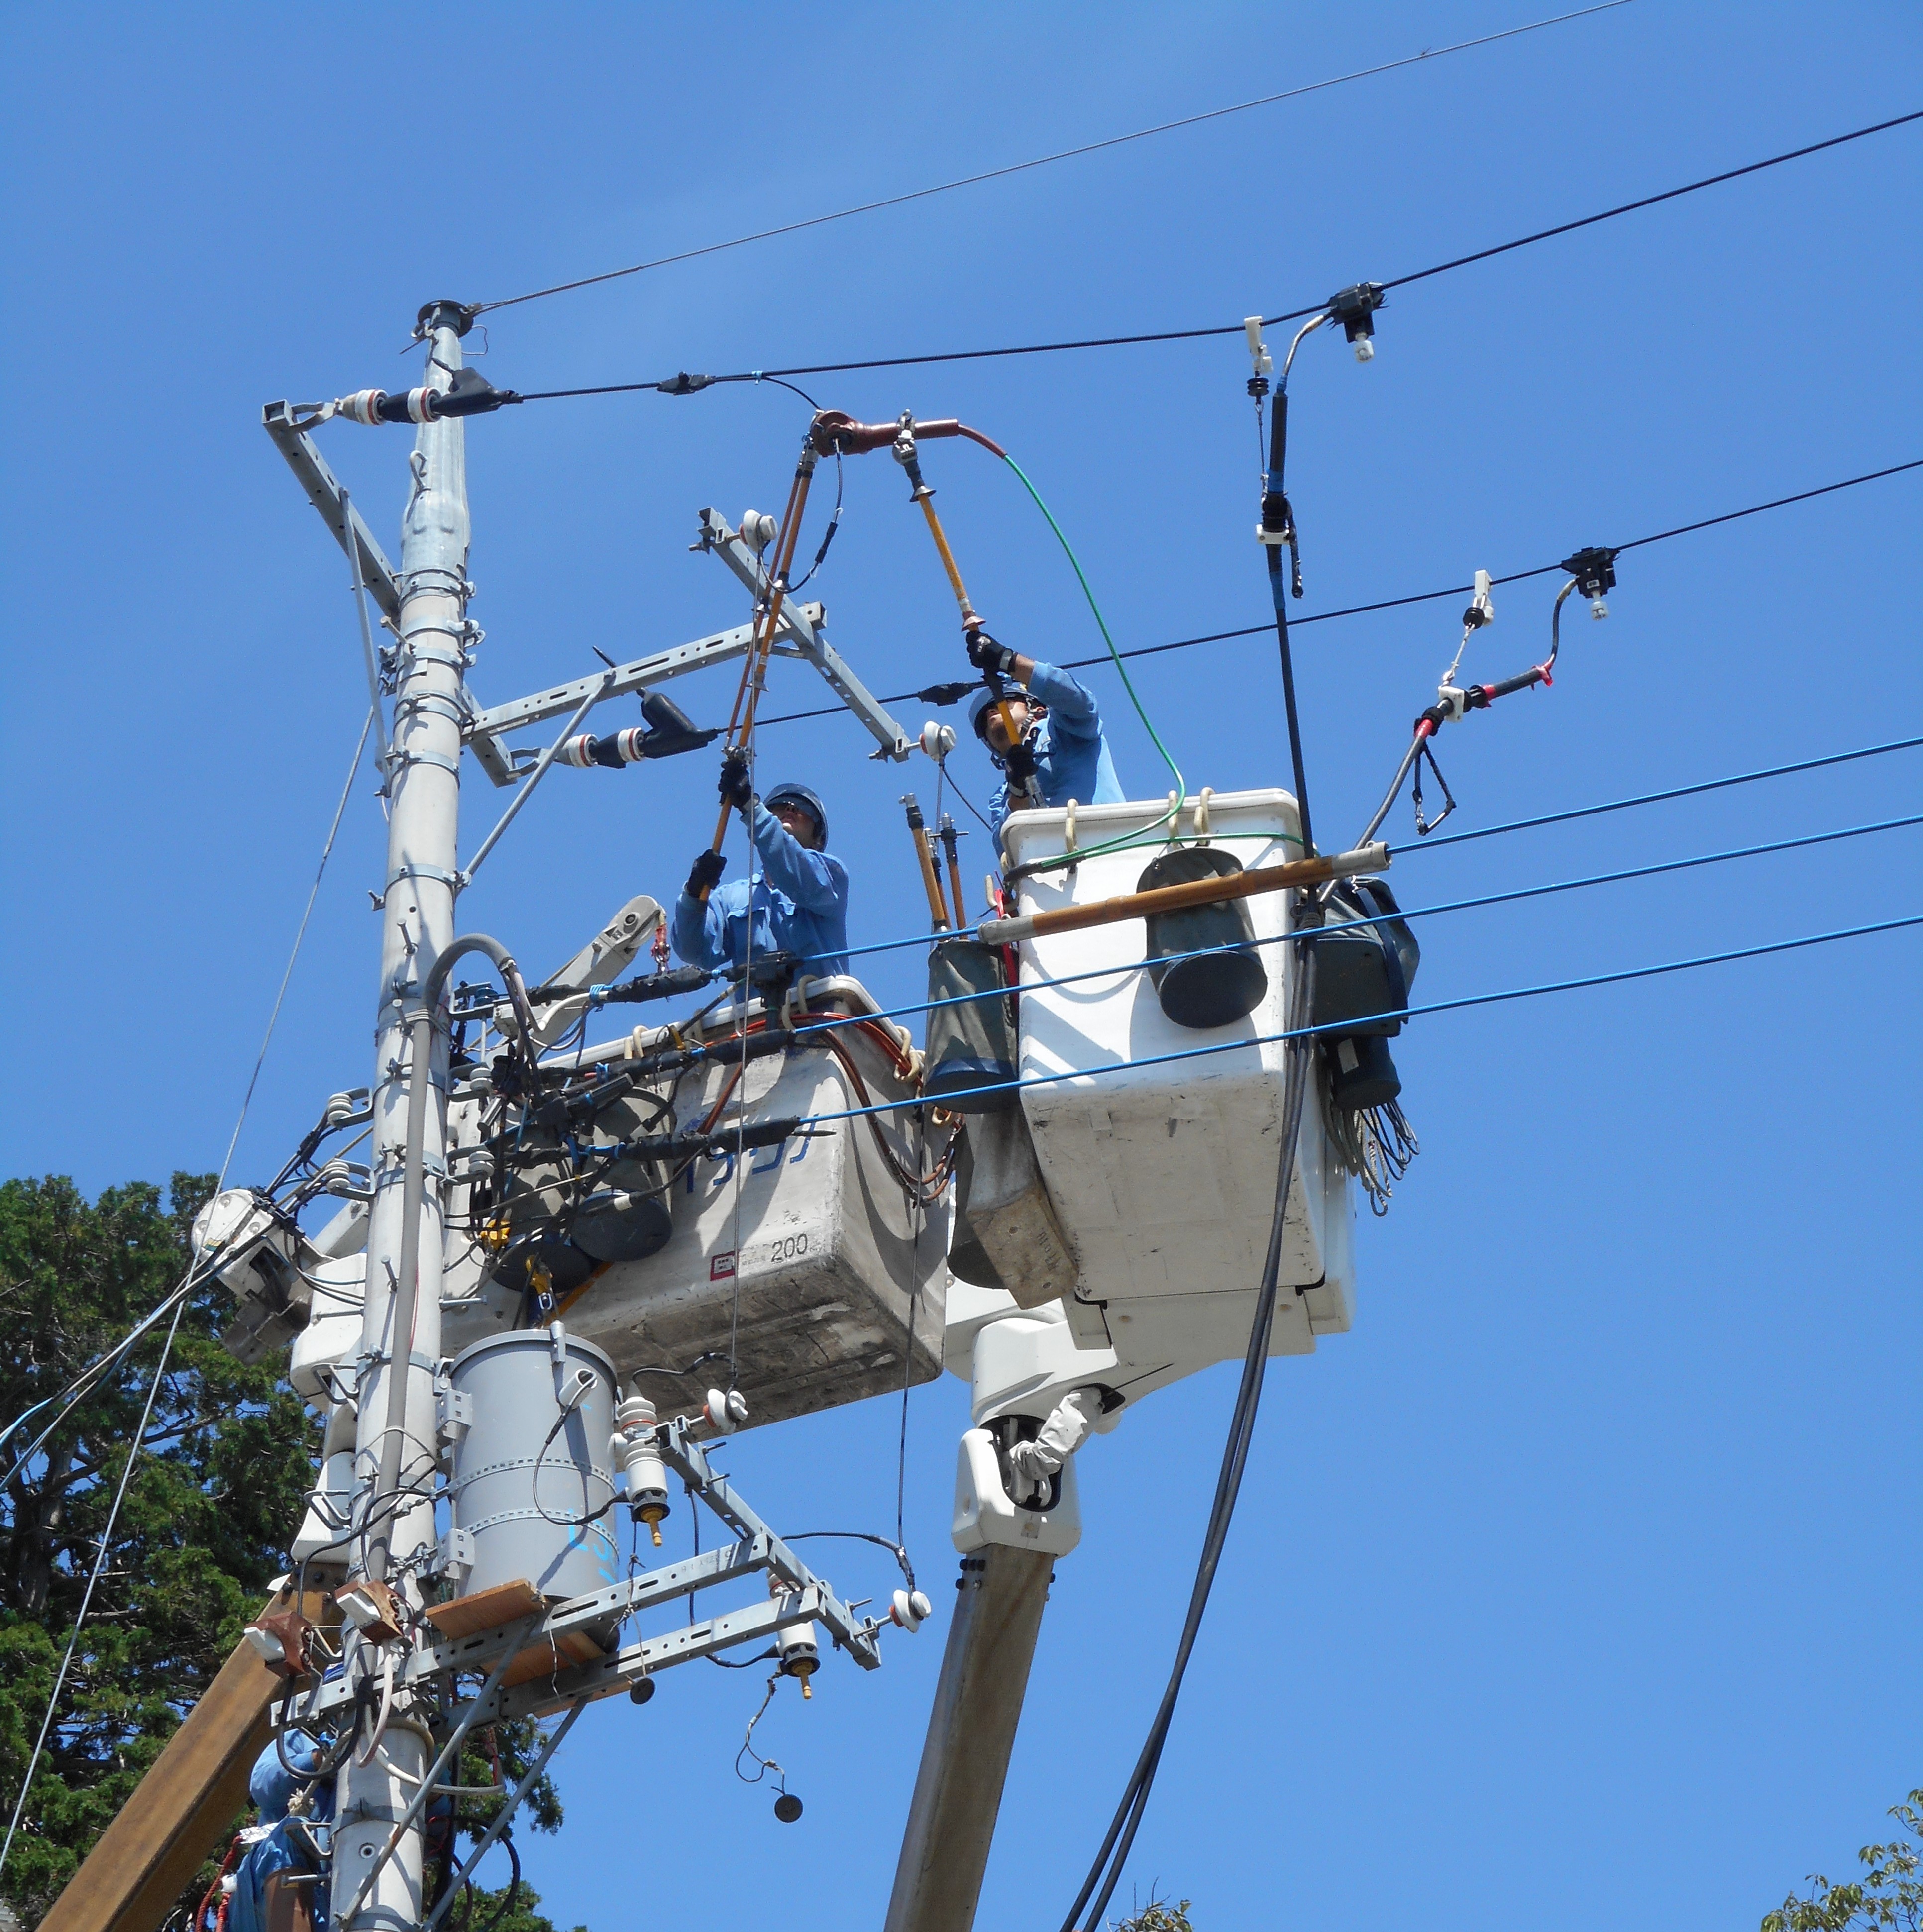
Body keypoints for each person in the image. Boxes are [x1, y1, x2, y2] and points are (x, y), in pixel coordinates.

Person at [675, 761, 850, 980]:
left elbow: (794, 872)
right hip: (760, 1014)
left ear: (818, 839)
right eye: (780, 805)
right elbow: (693, 949)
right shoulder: (732, 899)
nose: (790, 808)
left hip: (820, 1010)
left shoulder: (831, 875)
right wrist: (693, 895)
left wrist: (751, 807)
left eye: (803, 808)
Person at [963, 632, 1123, 841]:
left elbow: (1079, 701)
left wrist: (1008, 661)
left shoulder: (1065, 730)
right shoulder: (1002, 797)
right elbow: (1006, 845)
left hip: (1110, 845)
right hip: (1053, 868)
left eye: (1004, 703)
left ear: (1038, 709)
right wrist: (1018, 789)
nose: (991, 714)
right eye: (984, 722)